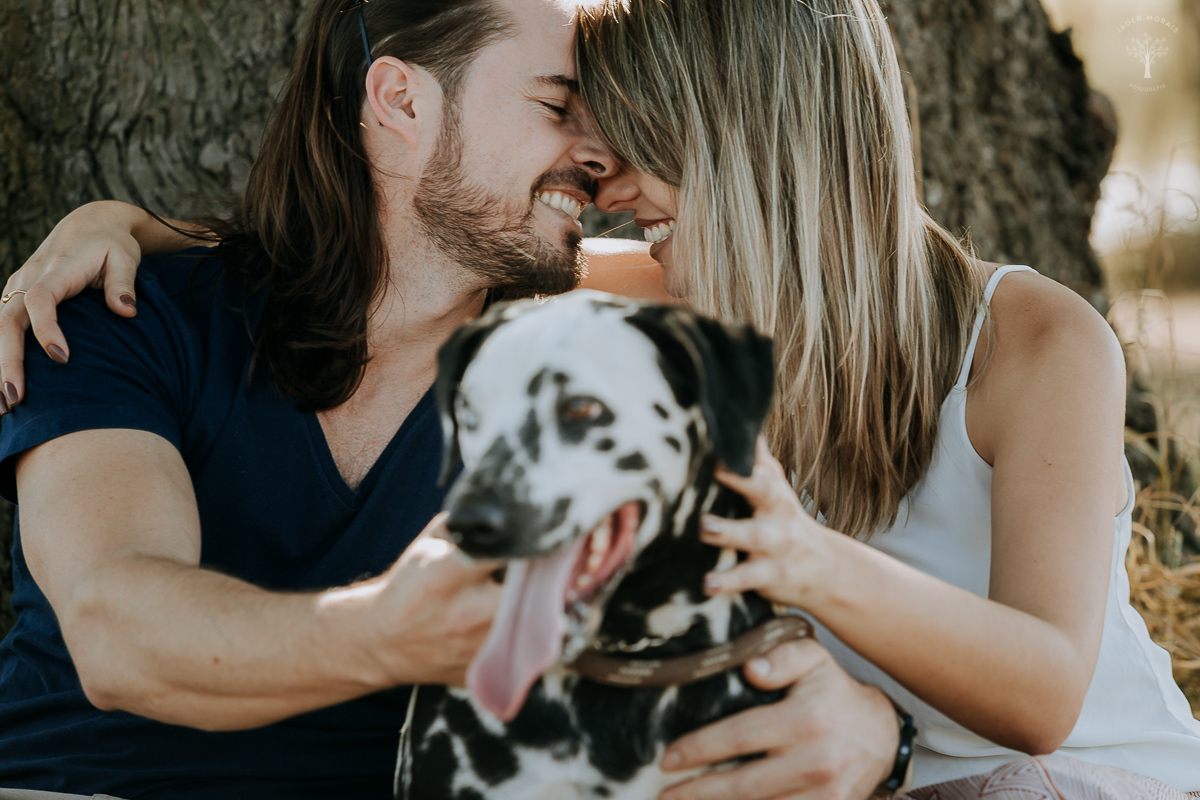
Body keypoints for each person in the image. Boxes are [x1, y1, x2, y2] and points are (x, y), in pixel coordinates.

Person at [10, 1, 1200, 799]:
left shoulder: (1027, 339)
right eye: (563, 111)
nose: (598, 171)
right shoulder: (689, 273)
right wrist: (123, 228)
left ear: (747, 154)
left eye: (624, 137)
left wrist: (832, 628)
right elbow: (398, 253)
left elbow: (1043, 695)